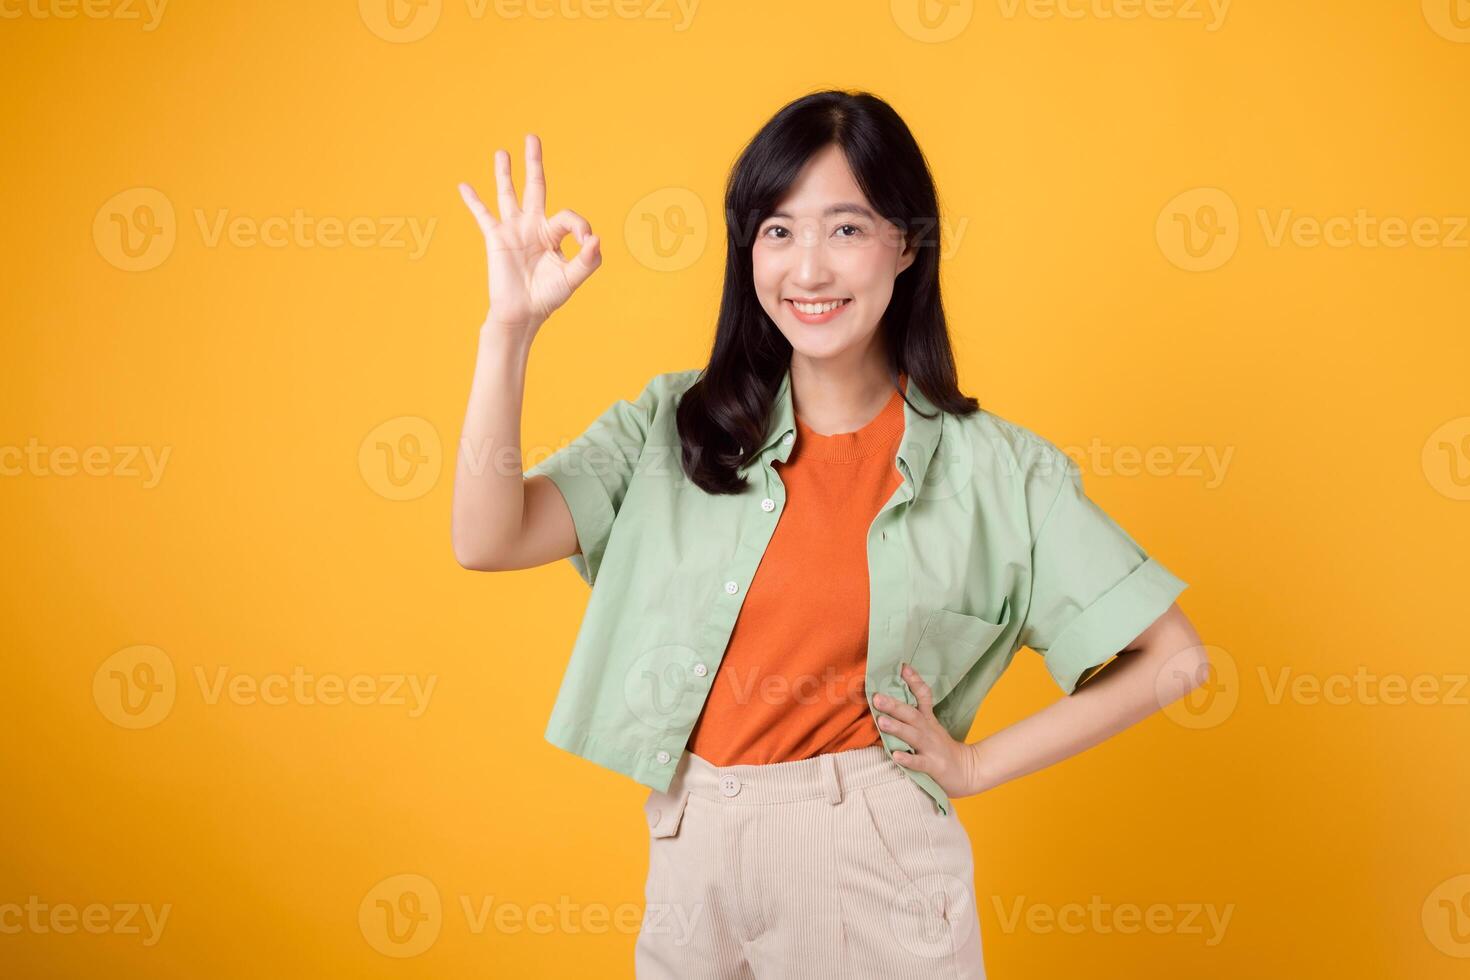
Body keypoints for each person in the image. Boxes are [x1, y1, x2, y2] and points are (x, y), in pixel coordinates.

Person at [451, 89, 1208, 980]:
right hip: (694, 847)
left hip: (867, 857)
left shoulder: (999, 471)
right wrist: (509, 332)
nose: (808, 270)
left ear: (907, 242)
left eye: (846, 229)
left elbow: (1174, 657)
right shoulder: (674, 424)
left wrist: (973, 766)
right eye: (778, 230)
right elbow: (487, 537)